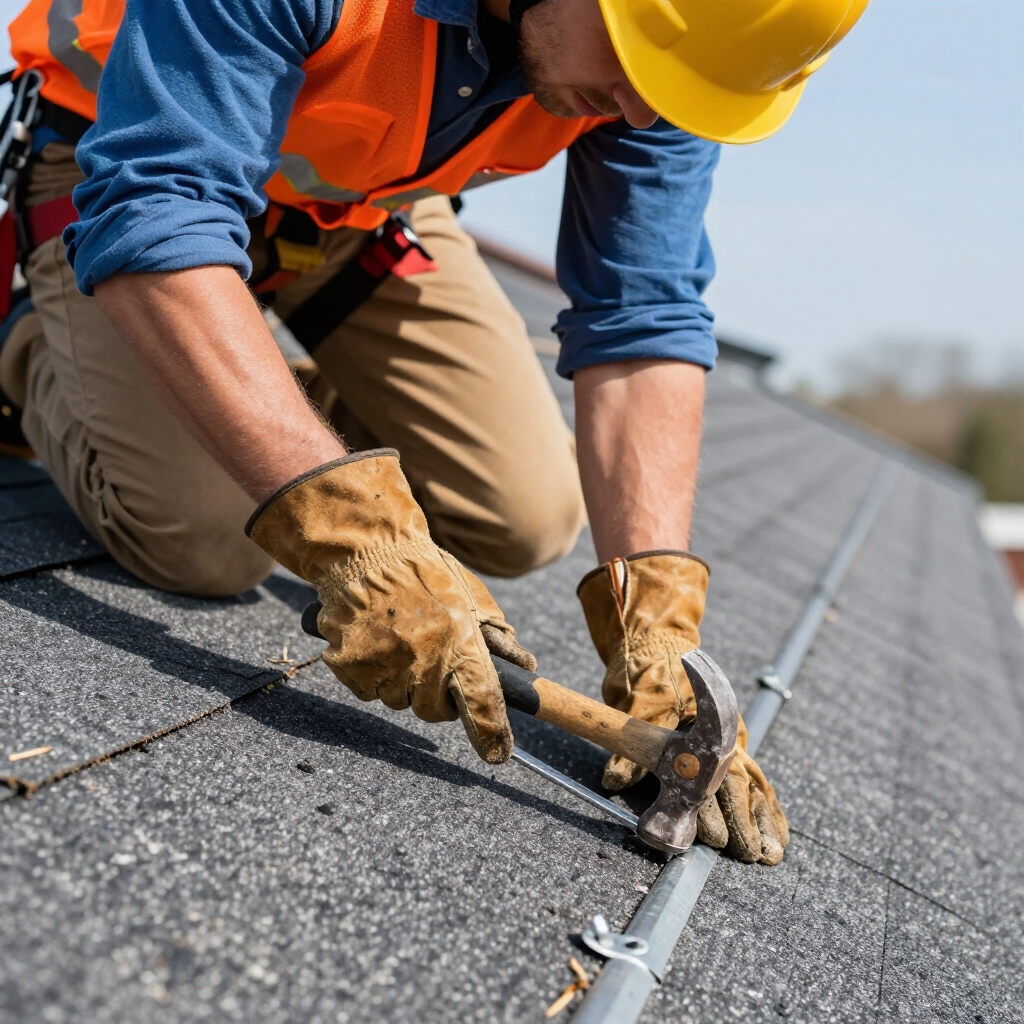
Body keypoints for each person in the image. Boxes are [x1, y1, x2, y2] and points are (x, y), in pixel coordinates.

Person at [0, 0, 868, 865]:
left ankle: (234, 399)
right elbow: (159, 200)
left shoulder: (669, 61)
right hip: (125, 161)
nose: (645, 111)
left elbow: (642, 313)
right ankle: (30, 343)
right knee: (202, 541)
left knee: (523, 512)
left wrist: (661, 627)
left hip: (350, 213)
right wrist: (360, 541)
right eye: (642, 68)